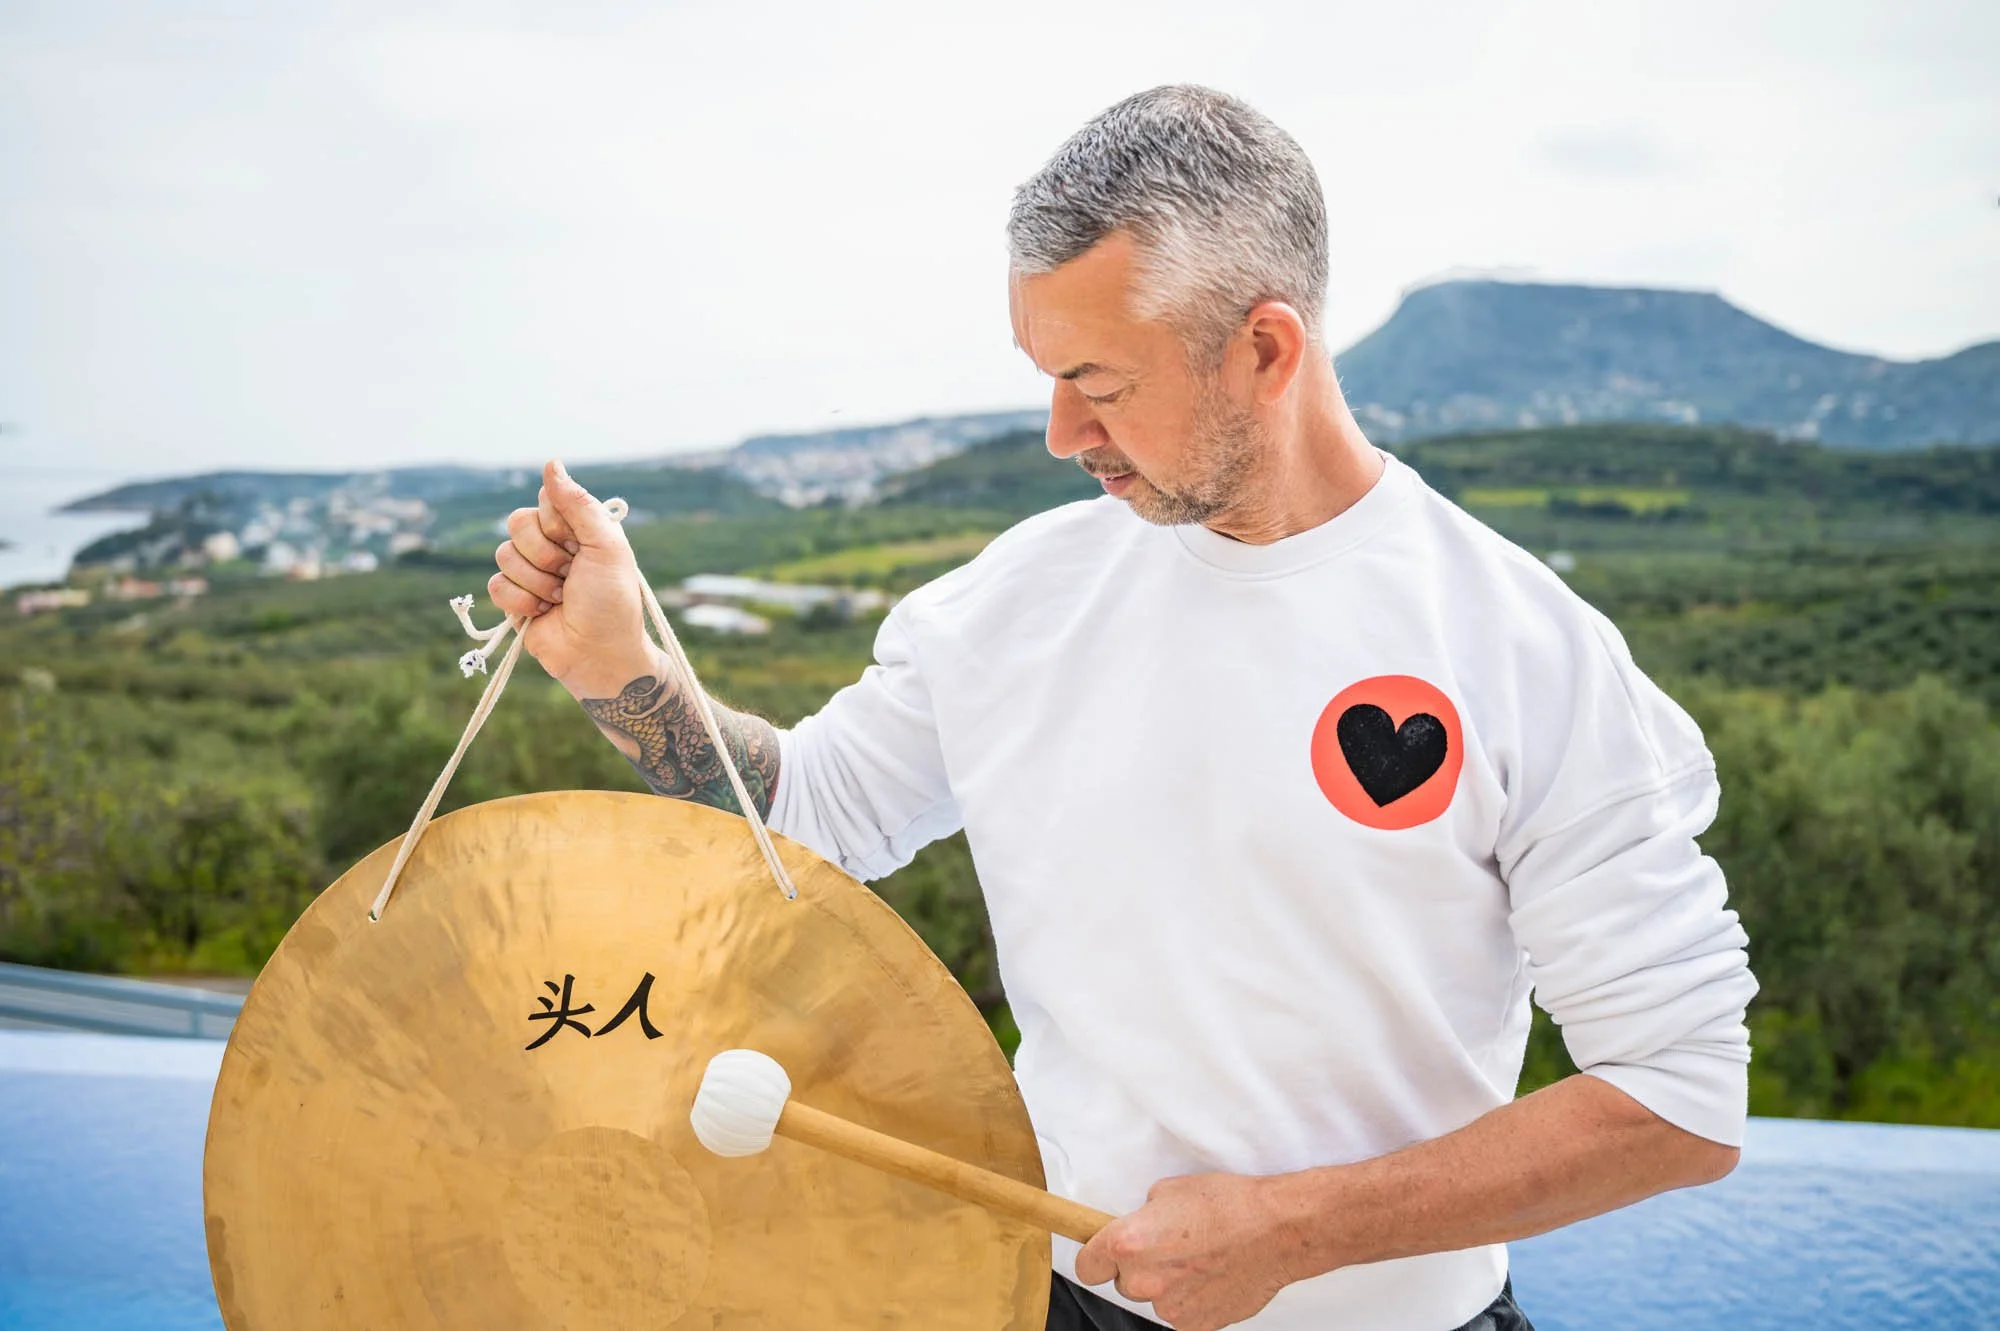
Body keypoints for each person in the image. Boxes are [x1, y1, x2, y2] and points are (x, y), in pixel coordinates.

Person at [489, 85, 1757, 1331]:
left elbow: (1678, 1095)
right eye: (1045, 375)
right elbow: (808, 817)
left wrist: (1294, 1228)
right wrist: (619, 668)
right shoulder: (1011, 603)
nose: (1057, 432)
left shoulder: (1527, 650)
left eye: (1098, 380)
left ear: (1262, 351)